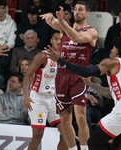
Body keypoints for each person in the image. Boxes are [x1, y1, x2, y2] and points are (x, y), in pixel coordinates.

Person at [47, 36, 121, 150]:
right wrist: (92, 85)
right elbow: (112, 93)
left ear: (118, 50)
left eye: (114, 48)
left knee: (94, 143)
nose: (112, 50)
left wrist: (60, 60)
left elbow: (88, 71)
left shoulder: (112, 62)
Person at [41, 1, 98, 150]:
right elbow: (53, 22)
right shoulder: (64, 27)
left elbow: (77, 38)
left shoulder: (92, 32)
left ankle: (85, 148)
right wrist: (50, 17)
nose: (77, 12)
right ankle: (72, 148)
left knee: (80, 115)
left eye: (81, 10)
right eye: (75, 9)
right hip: (61, 76)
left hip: (79, 76)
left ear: (87, 13)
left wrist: (62, 23)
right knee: (64, 118)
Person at [23, 30, 67, 150]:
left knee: (67, 134)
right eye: (56, 39)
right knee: (37, 137)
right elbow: (27, 76)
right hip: (38, 98)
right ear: (51, 41)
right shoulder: (42, 56)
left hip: (54, 99)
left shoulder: (64, 58)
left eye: (61, 39)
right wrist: (26, 96)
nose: (58, 41)